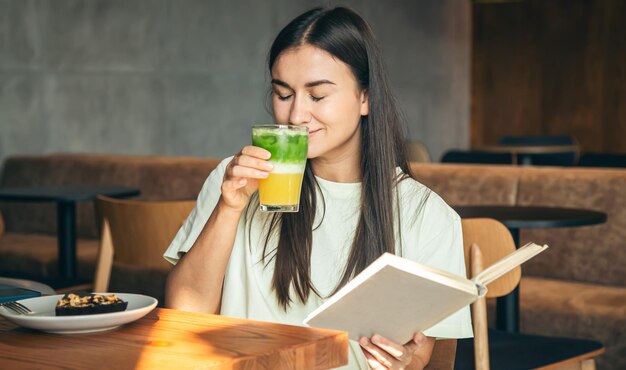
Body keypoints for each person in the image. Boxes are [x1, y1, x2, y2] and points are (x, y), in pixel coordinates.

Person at [164, 6, 472, 370]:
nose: (296, 115)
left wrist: (404, 360)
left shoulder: (428, 217)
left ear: (365, 98)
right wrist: (229, 208)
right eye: (283, 93)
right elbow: (184, 312)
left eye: (317, 95)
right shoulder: (233, 182)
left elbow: (419, 357)